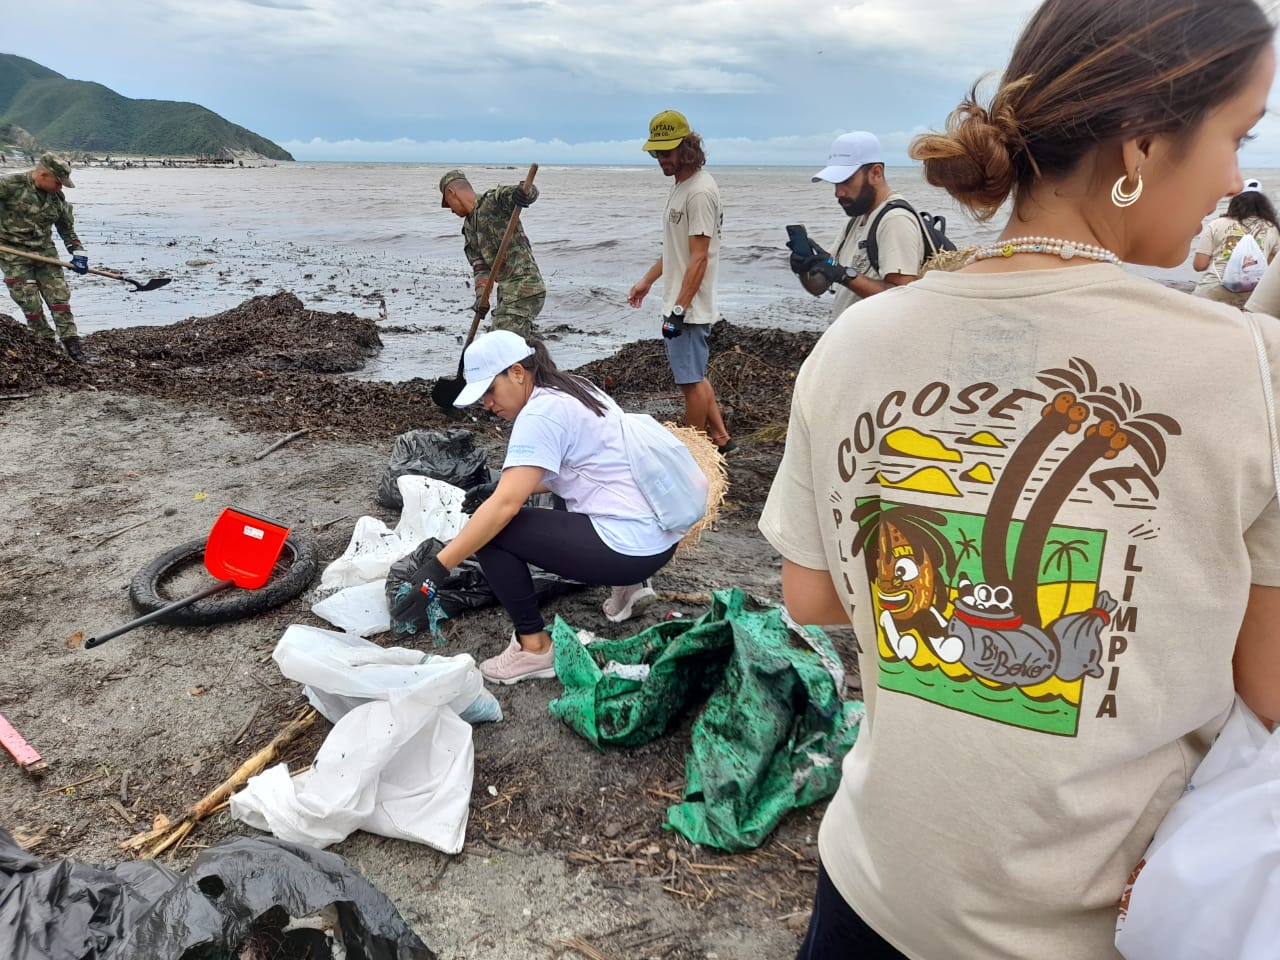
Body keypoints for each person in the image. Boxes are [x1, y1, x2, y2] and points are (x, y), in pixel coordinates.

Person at [758, 1, 1280, 957]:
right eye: (1238, 135)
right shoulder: (1250, 367)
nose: (1240, 179)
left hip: (872, 887)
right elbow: (1269, 681)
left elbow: (811, 593)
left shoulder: (855, 345)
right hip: (1077, 927)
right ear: (1142, 145)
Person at [398, 330, 685, 684]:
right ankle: (630, 588)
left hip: (629, 548)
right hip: (659, 538)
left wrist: (437, 568)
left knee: (494, 531)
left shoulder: (539, 415)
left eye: (490, 390)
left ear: (517, 372)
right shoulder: (574, 388)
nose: (487, 404)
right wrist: (498, 486)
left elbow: (503, 509)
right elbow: (580, 470)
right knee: (525, 500)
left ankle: (534, 649)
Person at [627, 110, 735, 456]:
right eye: (656, 153)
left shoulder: (700, 192)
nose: (661, 160)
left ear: (687, 149)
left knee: (690, 383)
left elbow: (700, 257)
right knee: (695, 375)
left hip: (688, 307)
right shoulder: (682, 187)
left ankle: (693, 451)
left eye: (667, 152)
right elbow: (677, 251)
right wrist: (647, 280)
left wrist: (678, 310)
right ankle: (721, 439)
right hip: (679, 301)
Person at [795, 131, 929, 318]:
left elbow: (902, 298)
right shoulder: (855, 220)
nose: (838, 193)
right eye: (835, 183)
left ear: (875, 173)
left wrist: (843, 275)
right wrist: (807, 269)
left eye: (846, 181)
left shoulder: (895, 220)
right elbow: (820, 286)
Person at [0, 153, 89, 360]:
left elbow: (67, 229)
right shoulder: (9, 185)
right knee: (29, 301)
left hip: (44, 252)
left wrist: (78, 252)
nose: (60, 187)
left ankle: (74, 347)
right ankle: (45, 344)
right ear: (42, 175)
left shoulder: (57, 198)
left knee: (59, 298)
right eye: (58, 182)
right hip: (12, 252)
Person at [439, 170, 545, 337]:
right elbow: (480, 267)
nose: (451, 211)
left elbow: (525, 191)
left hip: (525, 286)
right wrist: (482, 298)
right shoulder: (469, 229)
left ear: (452, 193)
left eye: (448, 204)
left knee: (503, 339)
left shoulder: (492, 202)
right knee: (507, 340)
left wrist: (524, 194)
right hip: (507, 291)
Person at [1191, 177, 1280, 305]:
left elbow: (1199, 266)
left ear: (1235, 202)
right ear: (1263, 205)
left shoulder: (1216, 224)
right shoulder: (1272, 229)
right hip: (1252, 296)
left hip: (1212, 291)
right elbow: (1272, 268)